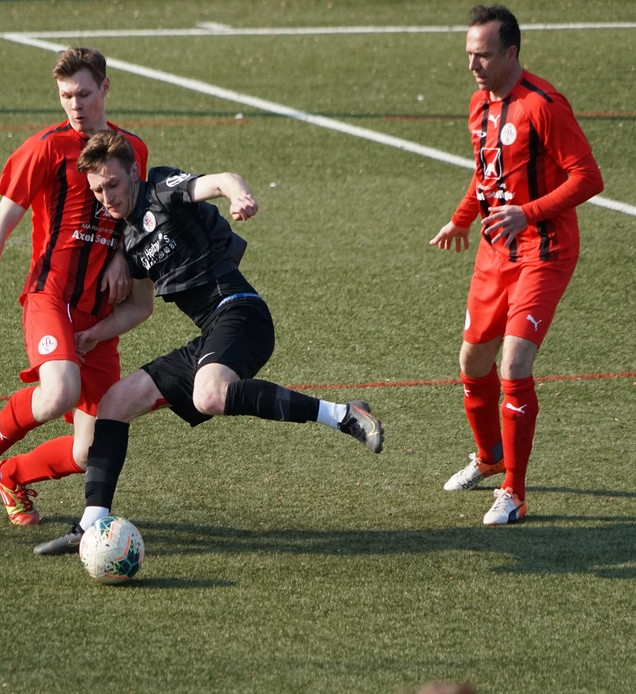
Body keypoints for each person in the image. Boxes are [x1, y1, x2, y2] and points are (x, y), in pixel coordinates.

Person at [33, 130, 384, 555]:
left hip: (242, 313)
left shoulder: (161, 190)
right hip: (211, 331)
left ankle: (344, 414)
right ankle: (92, 522)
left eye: (113, 184)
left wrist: (239, 196)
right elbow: (140, 307)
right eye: (97, 190)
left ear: (134, 172)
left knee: (210, 395)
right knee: (114, 402)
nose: (106, 197)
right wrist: (92, 335)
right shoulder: (130, 239)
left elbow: (219, 181)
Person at [0, 47, 149, 526]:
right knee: (59, 392)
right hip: (50, 296)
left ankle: (12, 476)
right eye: (65, 96)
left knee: (89, 450)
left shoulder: (133, 150)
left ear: (105, 88)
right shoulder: (46, 148)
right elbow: (0, 226)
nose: (75, 105)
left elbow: (135, 214)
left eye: (83, 94)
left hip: (100, 314)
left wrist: (120, 257)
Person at [429, 5, 603, 525]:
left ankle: (514, 491)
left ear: (511, 52)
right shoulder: (478, 105)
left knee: (513, 365)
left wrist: (527, 213)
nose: (472, 66)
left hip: (545, 252)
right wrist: (461, 219)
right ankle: (489, 458)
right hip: (495, 249)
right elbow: (487, 172)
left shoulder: (543, 105)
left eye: (482, 55)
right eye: (468, 55)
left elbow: (588, 178)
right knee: (472, 362)